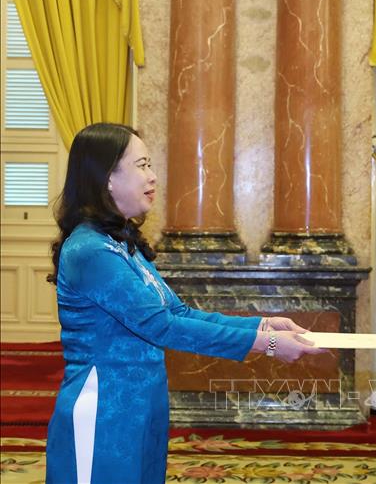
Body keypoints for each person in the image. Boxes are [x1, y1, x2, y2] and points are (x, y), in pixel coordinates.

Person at [45, 123, 325, 483]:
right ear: (108, 179)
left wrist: (262, 325)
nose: (153, 176)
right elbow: (162, 327)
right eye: (142, 165)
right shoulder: (90, 250)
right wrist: (267, 345)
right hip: (104, 407)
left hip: (141, 402)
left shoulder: (118, 243)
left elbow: (177, 312)